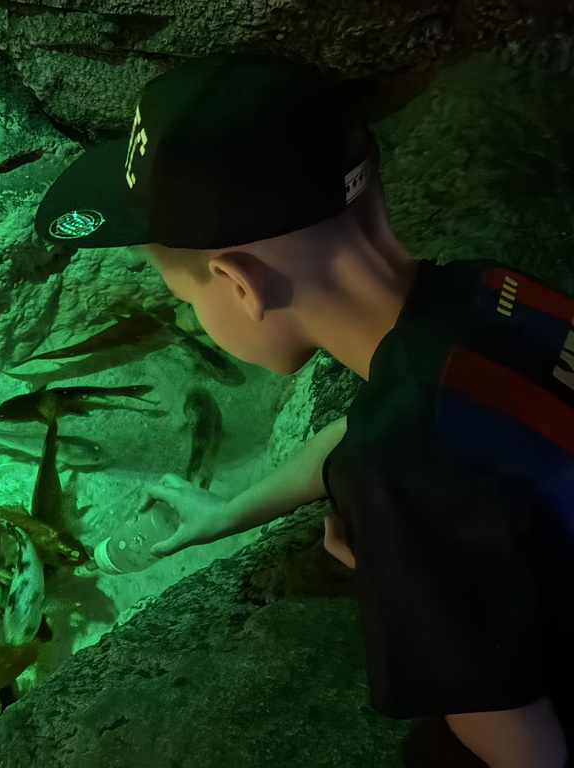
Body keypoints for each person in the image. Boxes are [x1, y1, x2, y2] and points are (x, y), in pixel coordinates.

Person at [33, 51, 574, 768]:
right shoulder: (489, 292)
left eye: (185, 299)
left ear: (239, 283)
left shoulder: (405, 476)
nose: (192, 319)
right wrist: (228, 511)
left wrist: (403, 580)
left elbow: (524, 748)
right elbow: (400, 428)